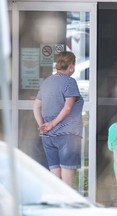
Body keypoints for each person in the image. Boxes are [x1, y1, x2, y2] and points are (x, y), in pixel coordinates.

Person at [33, 51, 84, 187]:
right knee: (67, 183)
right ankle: (67, 208)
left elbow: (36, 106)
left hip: (48, 137)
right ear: (71, 66)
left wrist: (43, 125)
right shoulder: (69, 82)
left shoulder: (47, 82)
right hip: (67, 135)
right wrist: (52, 124)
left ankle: (58, 206)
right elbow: (68, 107)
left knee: (56, 183)